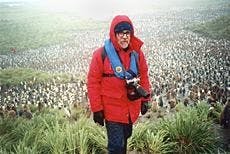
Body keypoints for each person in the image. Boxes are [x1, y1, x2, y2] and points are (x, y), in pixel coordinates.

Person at [87, 15, 151, 154]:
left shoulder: (137, 54)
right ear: (114, 34)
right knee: (116, 147)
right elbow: (93, 82)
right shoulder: (101, 54)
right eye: (120, 33)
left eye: (127, 33)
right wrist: (97, 108)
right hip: (112, 111)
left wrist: (145, 99)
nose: (124, 36)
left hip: (130, 109)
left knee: (125, 138)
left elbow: (144, 75)